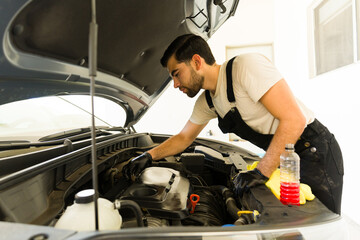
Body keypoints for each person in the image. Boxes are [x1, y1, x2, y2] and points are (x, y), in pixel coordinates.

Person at [123, 34, 344, 214]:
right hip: (284, 159)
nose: (175, 84)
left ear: (197, 62)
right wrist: (149, 156)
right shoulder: (208, 101)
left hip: (314, 153)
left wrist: (261, 171)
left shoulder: (245, 67)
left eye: (176, 73)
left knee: (320, 225)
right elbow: (184, 138)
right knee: (293, 224)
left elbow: (294, 120)